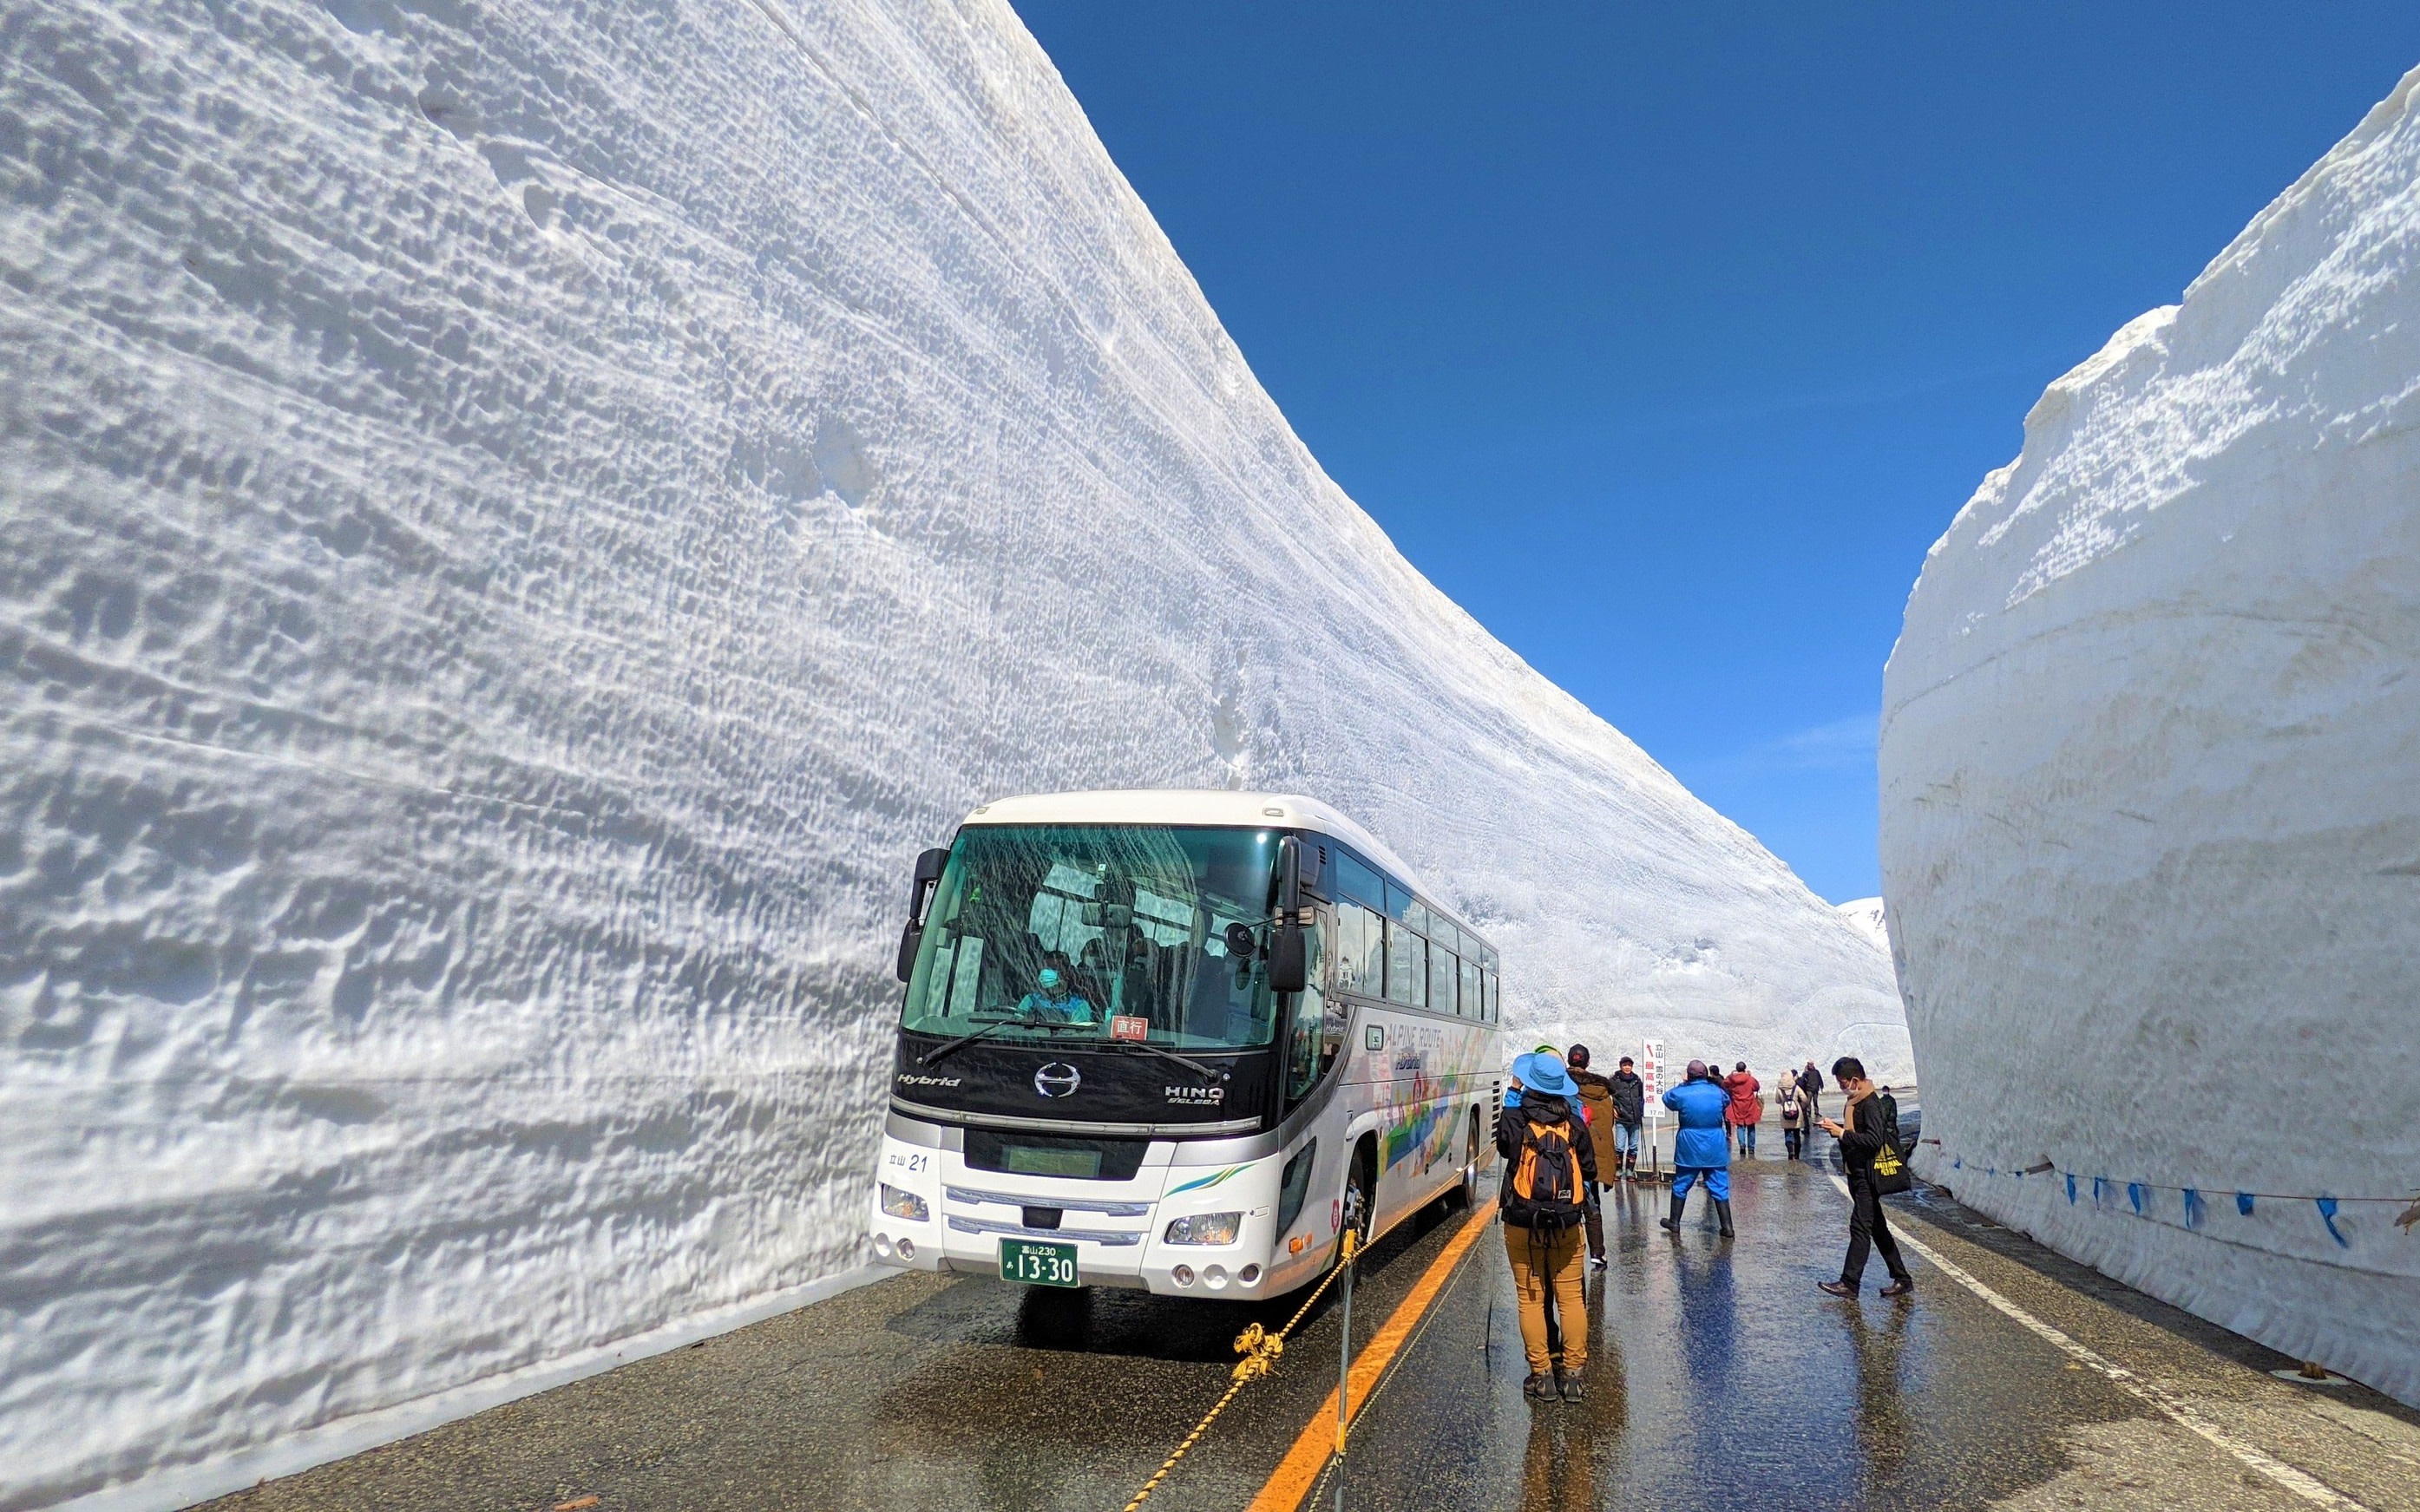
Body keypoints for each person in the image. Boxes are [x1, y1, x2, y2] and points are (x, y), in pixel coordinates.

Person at [1499, 1051, 1597, 1401]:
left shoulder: (1517, 1117)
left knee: (1530, 1298)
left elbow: (1504, 1149)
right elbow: (1588, 1169)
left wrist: (1513, 1094)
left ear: (1530, 1082)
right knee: (1571, 1299)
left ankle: (1542, 1376)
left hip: (1523, 1219)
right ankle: (1572, 1376)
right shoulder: (1573, 1121)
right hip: (1568, 1221)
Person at [1817, 1056, 1913, 1299]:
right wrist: (1837, 1129)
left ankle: (1850, 1283)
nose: (1840, 1086)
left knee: (1860, 1227)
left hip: (1867, 1177)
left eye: (1842, 1082)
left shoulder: (1869, 1103)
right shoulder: (1855, 1101)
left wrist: (1841, 1134)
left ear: (1855, 1080)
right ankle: (1902, 1278)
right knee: (1878, 1228)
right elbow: (1856, 1133)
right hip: (1856, 1173)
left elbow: (1873, 1140)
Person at [1658, 1059, 1734, 1237]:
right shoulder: (1717, 1092)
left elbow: (1667, 1099)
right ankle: (1727, 1227)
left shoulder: (1682, 1093)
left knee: (1682, 1184)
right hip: (1714, 1143)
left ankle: (1674, 1222)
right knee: (1719, 1185)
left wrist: (1684, 1084)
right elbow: (1726, 1101)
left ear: (1689, 1075)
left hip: (1689, 1144)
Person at [1567, 1045, 1617, 1267]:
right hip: (1589, 1157)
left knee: (1563, 1200)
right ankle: (1597, 1253)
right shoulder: (1602, 1092)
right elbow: (1607, 1126)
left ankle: (1566, 1254)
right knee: (1591, 1202)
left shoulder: (1559, 1085)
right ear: (1587, 1063)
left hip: (1564, 1155)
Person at [1609, 1055, 1645, 1180]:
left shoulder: (1637, 1080)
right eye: (1625, 1065)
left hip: (1635, 1118)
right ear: (1621, 1066)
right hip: (1621, 1118)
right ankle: (1618, 1170)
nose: (1627, 1067)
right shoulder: (1614, 1080)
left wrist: (1641, 1110)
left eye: (1629, 1065)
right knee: (1619, 1146)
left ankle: (1630, 1170)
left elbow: (1642, 1097)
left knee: (1633, 1146)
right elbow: (1607, 1096)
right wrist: (1612, 1108)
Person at [1015, 966, 1095, 1024]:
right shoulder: (1031, 999)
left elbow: (1078, 1034)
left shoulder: (1079, 1005)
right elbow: (1016, 1024)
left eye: (1055, 969)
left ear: (1065, 981)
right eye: (1048, 967)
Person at [1724, 1061, 1762, 1158]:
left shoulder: (1732, 1079)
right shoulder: (1749, 1078)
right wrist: (1749, 1075)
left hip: (1737, 1104)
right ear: (1745, 1068)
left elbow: (1725, 1083)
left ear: (1737, 1069)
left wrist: (1731, 1074)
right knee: (1751, 1127)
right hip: (1749, 1104)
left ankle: (1742, 1146)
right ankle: (1751, 1148)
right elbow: (1757, 1087)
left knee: (1740, 1126)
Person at [1776, 1069, 1805, 1161]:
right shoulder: (1795, 1087)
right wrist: (1800, 1106)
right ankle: (1797, 1154)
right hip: (1796, 1112)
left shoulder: (1779, 1088)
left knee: (1788, 1133)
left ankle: (1790, 1152)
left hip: (1785, 1113)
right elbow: (1804, 1099)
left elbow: (1777, 1101)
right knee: (1797, 1133)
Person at [1799, 1059, 1826, 1147]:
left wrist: (1821, 1086)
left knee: (1815, 1101)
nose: (1811, 1065)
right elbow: (1803, 1079)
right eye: (1809, 1064)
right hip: (1809, 1089)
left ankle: (1816, 1112)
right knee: (1808, 1102)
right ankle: (1809, 1112)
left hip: (1815, 1089)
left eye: (1811, 1064)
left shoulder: (1816, 1072)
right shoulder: (1806, 1073)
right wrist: (1805, 1071)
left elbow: (1820, 1079)